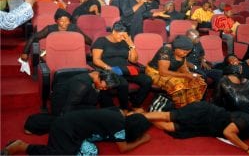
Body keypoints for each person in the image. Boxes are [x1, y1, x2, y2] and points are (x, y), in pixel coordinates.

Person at [143, 101, 249, 155]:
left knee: (170, 128)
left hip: (205, 127)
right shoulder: (247, 120)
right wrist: (247, 149)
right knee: (167, 117)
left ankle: (143, 113)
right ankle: (132, 117)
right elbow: (228, 132)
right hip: (203, 112)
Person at [2, 107, 151, 155]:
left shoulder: (118, 114)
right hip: (65, 128)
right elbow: (123, 148)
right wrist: (143, 140)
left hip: (75, 129)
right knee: (62, 155)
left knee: (91, 152)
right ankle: (22, 146)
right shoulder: (119, 125)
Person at [91, 21, 152, 113]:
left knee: (147, 80)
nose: (123, 38)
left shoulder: (125, 42)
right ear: (114, 31)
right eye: (121, 35)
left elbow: (133, 60)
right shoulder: (101, 41)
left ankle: (135, 104)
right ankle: (125, 108)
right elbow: (96, 59)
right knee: (123, 84)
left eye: (125, 36)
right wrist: (109, 68)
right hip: (109, 70)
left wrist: (131, 44)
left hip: (125, 70)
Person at [145, 35, 207, 108]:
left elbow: (182, 66)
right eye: (184, 52)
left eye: (187, 53)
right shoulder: (165, 50)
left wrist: (190, 74)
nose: (185, 54)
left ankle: (191, 105)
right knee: (179, 86)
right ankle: (180, 107)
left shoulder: (183, 52)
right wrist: (185, 75)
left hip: (171, 72)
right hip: (156, 73)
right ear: (176, 48)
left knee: (196, 81)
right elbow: (163, 72)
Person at [20, 8, 93, 62]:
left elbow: (85, 38)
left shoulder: (73, 27)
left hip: (69, 52)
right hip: (54, 53)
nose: (64, 23)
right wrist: (25, 52)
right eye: (62, 21)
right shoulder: (50, 28)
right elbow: (34, 37)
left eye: (67, 21)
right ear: (56, 21)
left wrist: (95, 47)